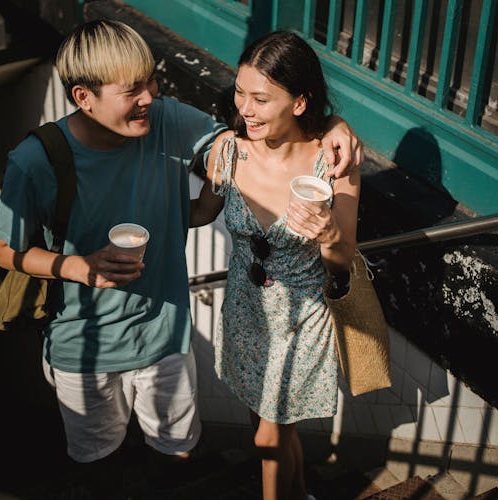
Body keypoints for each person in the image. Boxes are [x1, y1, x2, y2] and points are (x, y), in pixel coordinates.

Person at [0, 19, 361, 498]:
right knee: (100, 462)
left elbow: (247, 135)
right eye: (133, 89)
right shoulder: (34, 161)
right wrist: (80, 267)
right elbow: (5, 249)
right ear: (84, 97)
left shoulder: (165, 119)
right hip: (82, 346)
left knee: (180, 452)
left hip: (165, 334)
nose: (150, 96)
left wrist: (335, 124)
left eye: (151, 81)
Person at [190, 30, 361, 500]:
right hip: (246, 309)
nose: (245, 108)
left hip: (301, 316)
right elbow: (202, 212)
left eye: (261, 98)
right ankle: (302, 491)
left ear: (300, 102)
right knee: (268, 425)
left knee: (268, 437)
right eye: (241, 92)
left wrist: (327, 232)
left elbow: (342, 256)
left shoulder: (333, 163)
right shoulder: (229, 149)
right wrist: (143, 208)